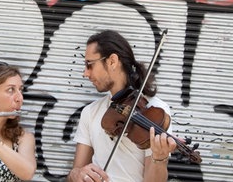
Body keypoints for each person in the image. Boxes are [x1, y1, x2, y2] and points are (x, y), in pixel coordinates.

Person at [68, 30, 179, 182]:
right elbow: (75, 171)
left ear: (112, 61)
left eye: (90, 65)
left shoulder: (154, 112)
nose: (85, 73)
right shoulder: (90, 112)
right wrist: (76, 174)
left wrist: (159, 159)